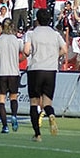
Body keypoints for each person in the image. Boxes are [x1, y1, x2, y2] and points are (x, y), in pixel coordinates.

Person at [23, 9, 68, 142]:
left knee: (34, 103)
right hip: (51, 70)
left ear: (37, 19)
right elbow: (65, 49)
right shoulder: (55, 34)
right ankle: (51, 115)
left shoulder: (31, 33)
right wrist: (54, 56)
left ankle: (37, 134)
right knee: (47, 102)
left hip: (36, 69)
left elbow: (26, 51)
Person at [0, 18, 22, 134]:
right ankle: (14, 115)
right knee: (13, 97)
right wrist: (17, 60)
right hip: (14, 72)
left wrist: (0, 57)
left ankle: (5, 126)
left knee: (1, 100)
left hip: (1, 72)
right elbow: (26, 52)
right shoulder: (17, 40)